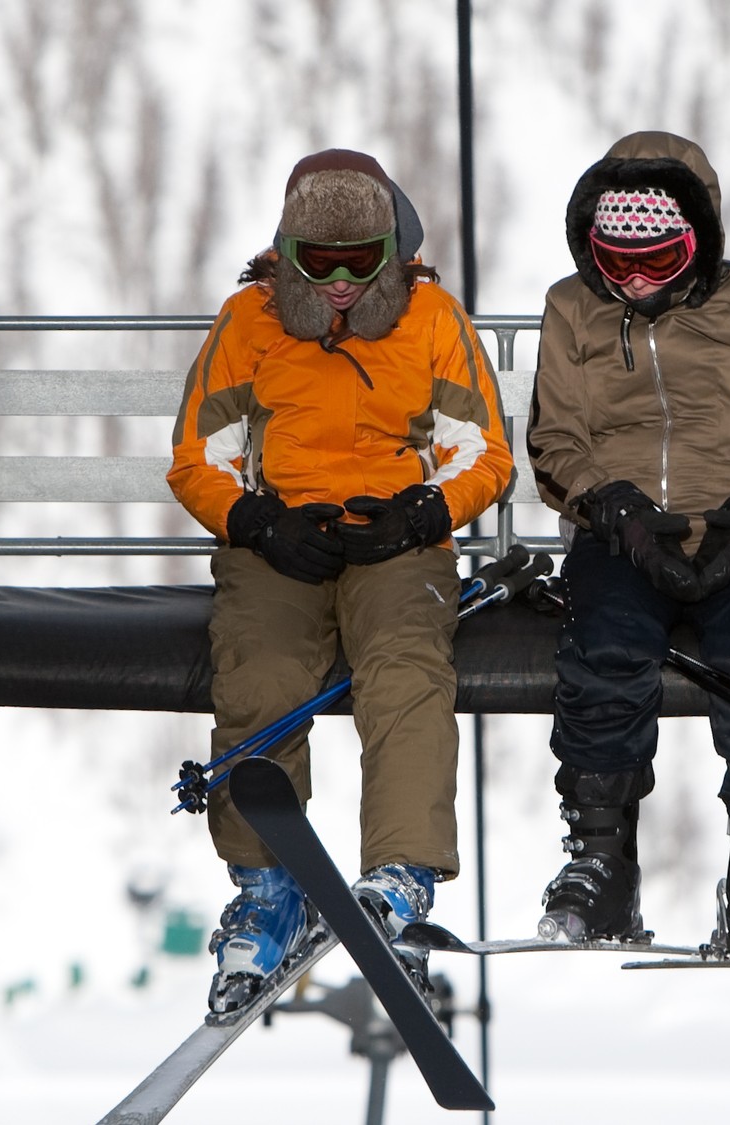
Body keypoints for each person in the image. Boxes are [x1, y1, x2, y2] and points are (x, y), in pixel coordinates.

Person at [167, 149, 513, 1014]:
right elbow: (195, 457)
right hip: (283, 538)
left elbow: (485, 452)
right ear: (289, 254)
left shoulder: (431, 318)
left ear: (391, 248)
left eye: (365, 258)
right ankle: (265, 885)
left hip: (395, 538)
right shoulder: (248, 321)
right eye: (322, 264)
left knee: (404, 668)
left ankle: (399, 874)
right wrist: (256, 522)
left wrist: (424, 514)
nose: (346, 281)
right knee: (260, 668)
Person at [525, 131, 730, 959]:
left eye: (658, 260)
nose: (633, 282)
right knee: (604, 647)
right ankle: (602, 858)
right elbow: (554, 437)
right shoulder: (570, 308)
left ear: (697, 240)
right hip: (623, 534)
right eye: (614, 262)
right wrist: (612, 506)